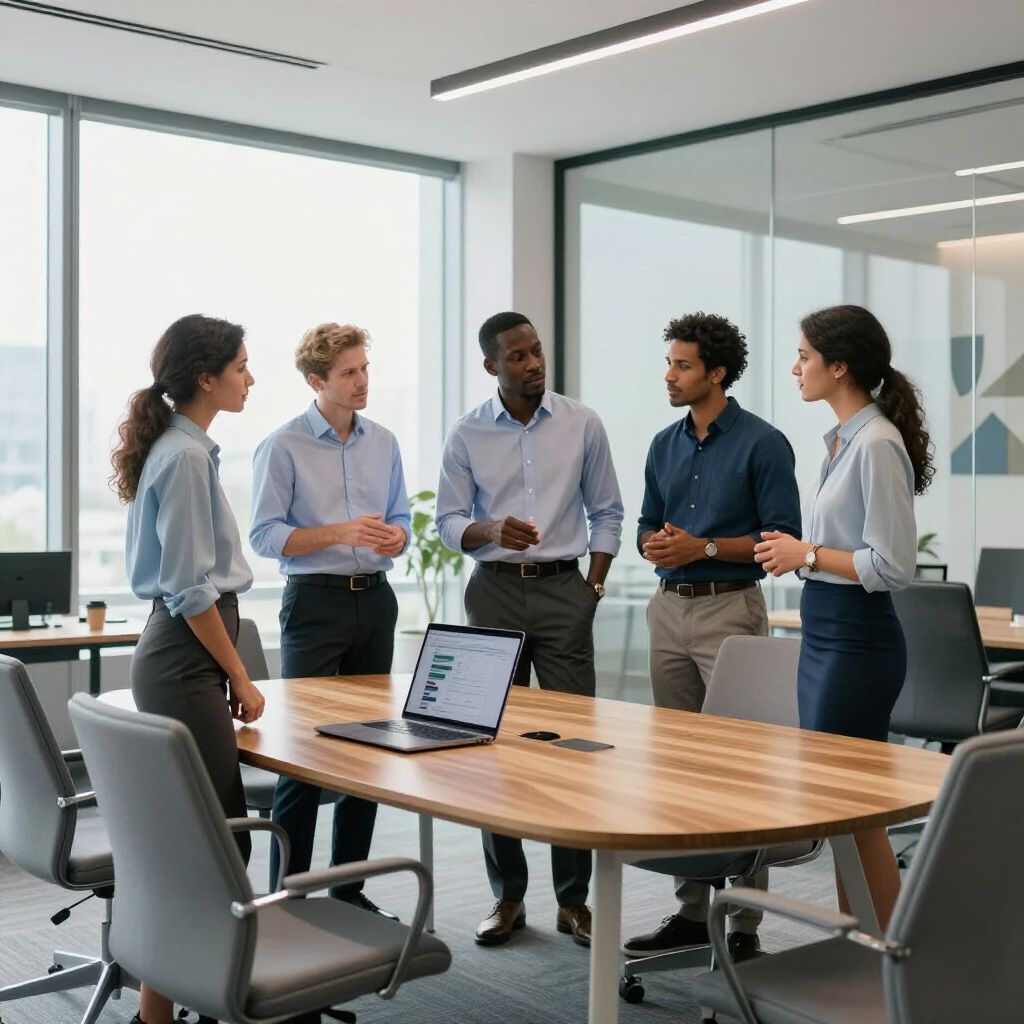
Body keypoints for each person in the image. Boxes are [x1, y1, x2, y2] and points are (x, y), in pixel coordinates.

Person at [436, 310, 623, 948]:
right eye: (517, 356)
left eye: (536, 351)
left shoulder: (582, 423)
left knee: (574, 743)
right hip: (492, 594)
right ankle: (507, 896)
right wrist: (490, 530)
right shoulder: (466, 435)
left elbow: (607, 511)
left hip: (564, 590)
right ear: (493, 366)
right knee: (492, 744)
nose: (533, 363)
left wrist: (590, 590)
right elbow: (448, 521)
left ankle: (574, 900)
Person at [622, 312, 801, 964]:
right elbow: (646, 527)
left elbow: (780, 540)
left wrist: (701, 546)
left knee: (741, 764)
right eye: (669, 364)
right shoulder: (663, 444)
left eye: (682, 365)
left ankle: (745, 921)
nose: (669, 375)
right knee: (679, 765)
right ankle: (692, 911)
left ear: (716, 373)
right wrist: (657, 543)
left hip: (730, 611)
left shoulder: (764, 444)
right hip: (669, 609)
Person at [754, 303, 932, 930]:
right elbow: (842, 552)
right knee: (841, 811)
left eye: (803, 356)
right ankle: (860, 946)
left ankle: (885, 954)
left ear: (839, 365)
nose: (794, 367)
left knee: (855, 812)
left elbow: (891, 565)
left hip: (857, 642)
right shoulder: (844, 440)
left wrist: (805, 553)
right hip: (828, 631)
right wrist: (800, 559)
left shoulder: (876, 444)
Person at [112, 314, 264, 1024]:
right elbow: (192, 591)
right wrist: (238, 674)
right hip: (186, 653)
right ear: (207, 377)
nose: (249, 378)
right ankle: (203, 999)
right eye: (240, 366)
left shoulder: (181, 448)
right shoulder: (185, 456)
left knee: (196, 838)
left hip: (182, 654)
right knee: (216, 839)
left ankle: (164, 1012)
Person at [250, 322, 409, 917]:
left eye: (364, 368)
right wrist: (339, 532)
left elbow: (400, 520)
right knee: (305, 754)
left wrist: (396, 536)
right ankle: (287, 897)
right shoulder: (283, 445)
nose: (362, 381)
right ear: (317, 381)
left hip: (376, 598)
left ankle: (349, 891)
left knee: (367, 751)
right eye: (348, 373)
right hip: (314, 604)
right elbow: (265, 537)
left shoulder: (384, 441)